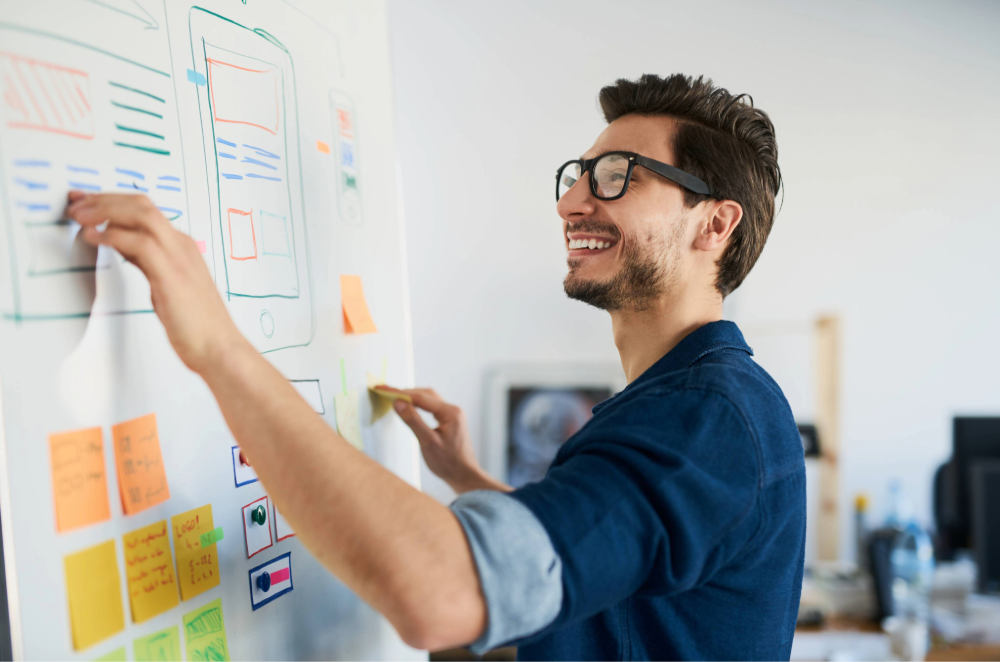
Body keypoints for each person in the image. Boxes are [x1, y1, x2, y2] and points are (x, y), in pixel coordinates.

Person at [67, 73, 805, 660]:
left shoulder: (706, 418)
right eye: (577, 175)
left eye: (617, 175)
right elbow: (603, 578)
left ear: (715, 222)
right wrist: (470, 481)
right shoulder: (690, 398)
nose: (573, 202)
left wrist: (217, 347)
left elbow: (444, 597)